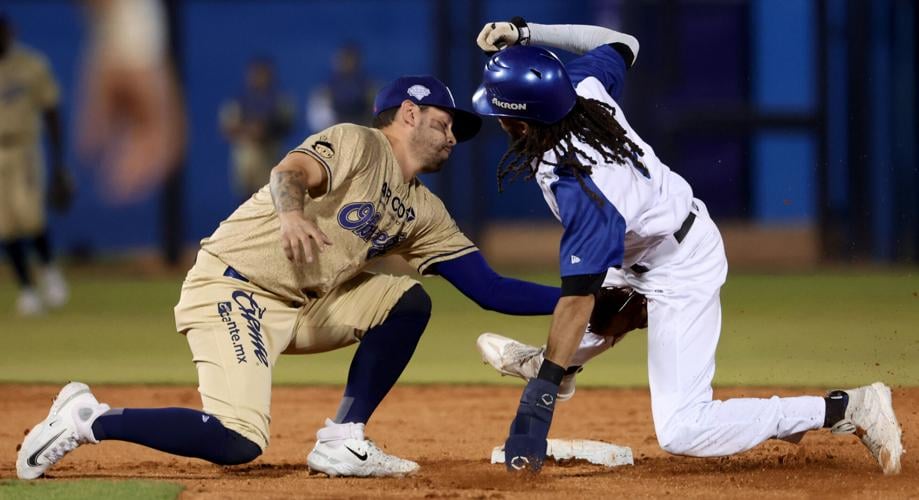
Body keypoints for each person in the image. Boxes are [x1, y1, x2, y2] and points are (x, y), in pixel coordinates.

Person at [17, 75, 563, 480]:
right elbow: (289, 172)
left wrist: (580, 297)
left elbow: (489, 290)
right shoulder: (359, 143)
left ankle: (342, 439)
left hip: (305, 307)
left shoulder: (424, 210)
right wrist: (291, 212)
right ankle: (88, 418)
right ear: (409, 114)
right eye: (444, 123)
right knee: (237, 442)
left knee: (407, 300)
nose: (451, 138)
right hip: (235, 287)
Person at [470, 18, 903, 475]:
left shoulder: (588, 191)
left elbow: (577, 298)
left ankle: (848, 407)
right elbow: (622, 41)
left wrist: (539, 400)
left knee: (683, 429)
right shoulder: (580, 89)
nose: (496, 118)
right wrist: (526, 33)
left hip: (680, 265)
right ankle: (556, 365)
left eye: (499, 110)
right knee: (599, 307)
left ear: (518, 122)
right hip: (642, 241)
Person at [0, 14, 72, 316]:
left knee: (30, 216)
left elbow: (51, 110)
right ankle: (27, 290)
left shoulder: (31, 65)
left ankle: (49, 271)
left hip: (24, 148)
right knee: (5, 225)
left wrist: (58, 165)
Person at [220, 57, 295, 199]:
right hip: (246, 159)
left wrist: (266, 130)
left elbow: (288, 125)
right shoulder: (239, 100)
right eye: (256, 74)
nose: (260, 78)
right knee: (246, 201)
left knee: (271, 201)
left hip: (271, 157)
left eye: (263, 74)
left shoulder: (280, 99)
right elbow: (227, 128)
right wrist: (248, 130)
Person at [306, 43, 376, 132]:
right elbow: (318, 118)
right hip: (335, 132)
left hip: (361, 130)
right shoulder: (326, 89)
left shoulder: (368, 86)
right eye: (345, 59)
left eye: (352, 59)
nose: (348, 63)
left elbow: (377, 113)